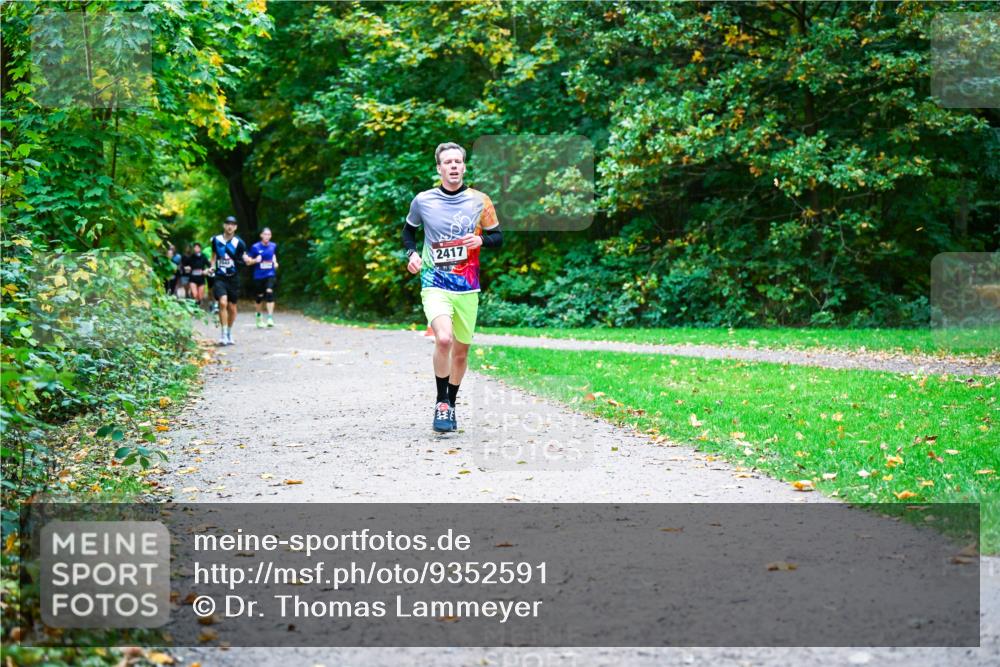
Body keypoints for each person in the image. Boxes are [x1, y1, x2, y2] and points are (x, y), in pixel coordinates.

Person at [402, 142, 503, 432]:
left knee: (460, 352)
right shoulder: (423, 200)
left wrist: (481, 240)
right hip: (434, 281)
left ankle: (452, 404)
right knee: (443, 339)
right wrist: (411, 254)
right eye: (448, 162)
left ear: (464, 167)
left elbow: (498, 237)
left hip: (467, 286)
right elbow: (408, 231)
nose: (454, 166)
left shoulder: (480, 201)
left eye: (458, 161)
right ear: (439, 168)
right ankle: (441, 403)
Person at [210, 216, 248, 345]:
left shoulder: (239, 243)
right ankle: (223, 334)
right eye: (227, 224)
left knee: (232, 307)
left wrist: (248, 259)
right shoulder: (216, 240)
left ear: (235, 227)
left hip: (233, 278)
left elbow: (244, 256)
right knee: (222, 302)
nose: (230, 226)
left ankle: (229, 333)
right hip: (220, 277)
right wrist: (211, 267)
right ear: (224, 225)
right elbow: (213, 257)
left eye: (232, 224)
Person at [246, 227, 279, 328]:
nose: (267, 236)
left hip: (270, 274)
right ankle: (259, 317)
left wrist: (275, 263)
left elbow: (273, 256)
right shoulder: (255, 247)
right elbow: (248, 262)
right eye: (265, 234)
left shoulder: (273, 246)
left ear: (271, 236)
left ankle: (270, 318)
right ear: (261, 235)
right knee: (259, 297)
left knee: (269, 292)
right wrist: (255, 260)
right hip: (259, 275)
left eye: (269, 234)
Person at [184, 242, 209, 308]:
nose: (196, 248)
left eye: (197, 247)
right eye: (195, 247)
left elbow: (209, 266)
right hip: (193, 278)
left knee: (200, 296)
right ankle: (195, 308)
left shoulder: (203, 257)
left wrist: (206, 271)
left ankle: (198, 306)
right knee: (195, 294)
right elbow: (185, 265)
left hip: (201, 278)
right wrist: (187, 268)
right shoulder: (191, 257)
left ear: (200, 248)